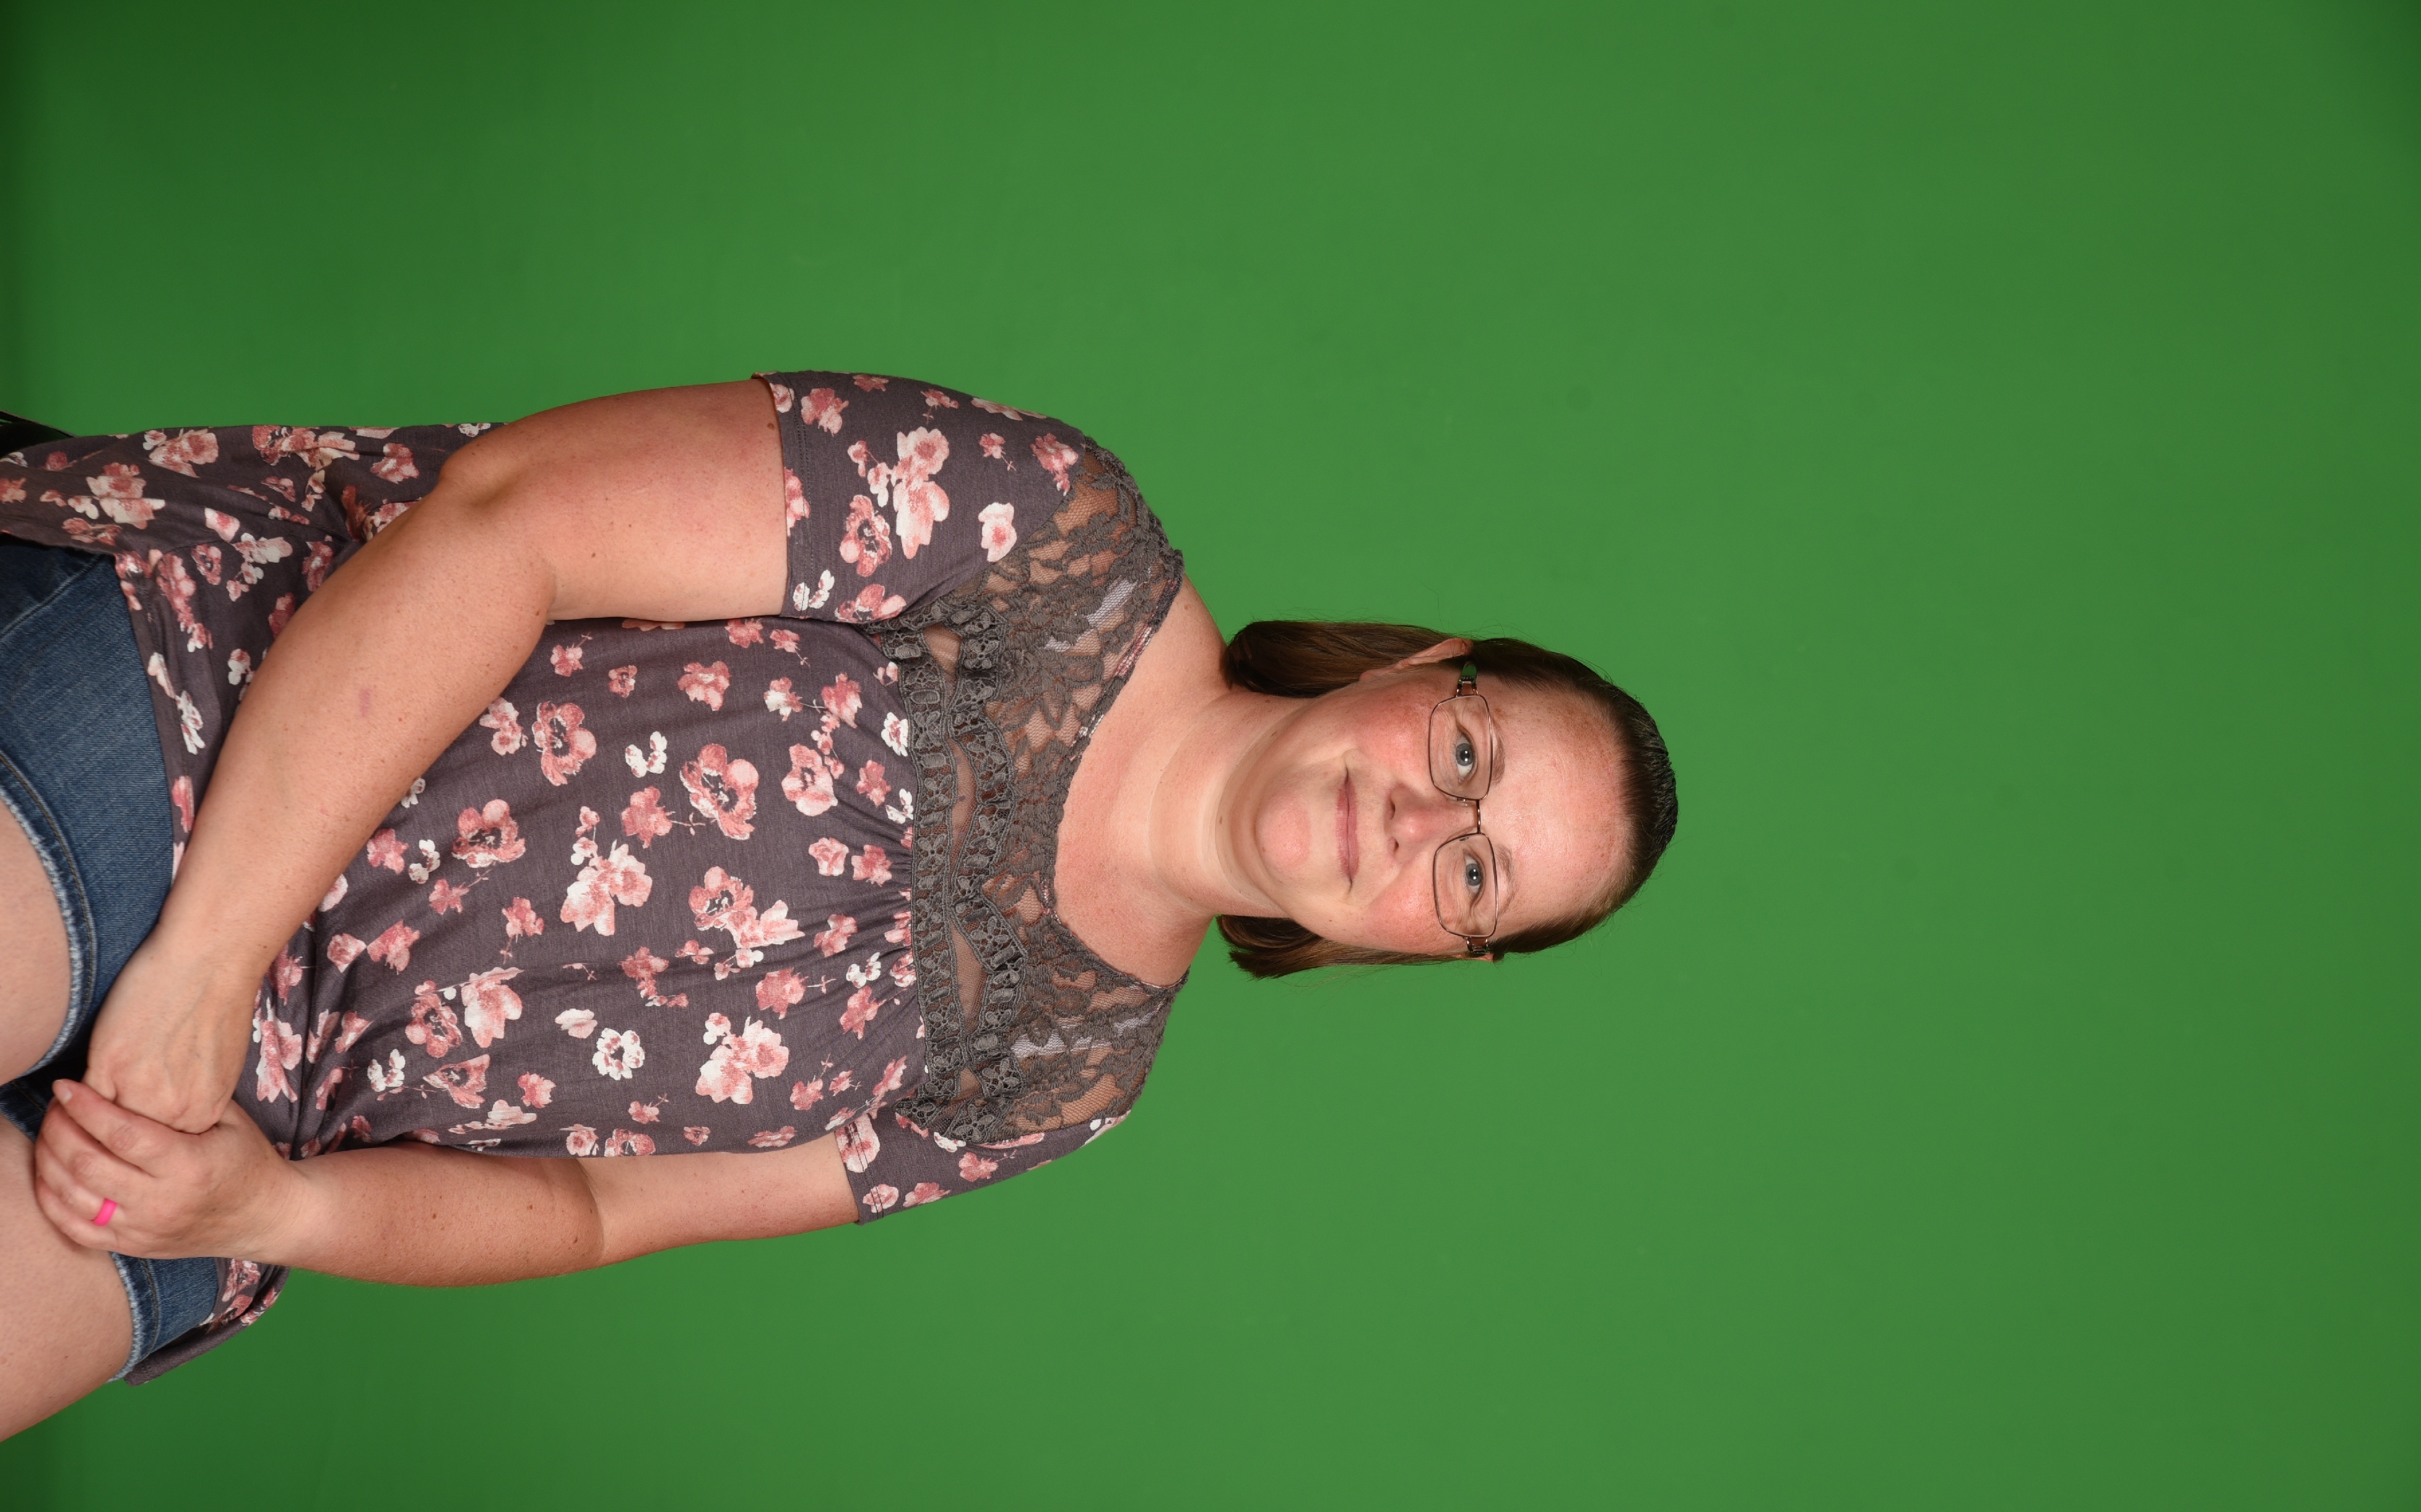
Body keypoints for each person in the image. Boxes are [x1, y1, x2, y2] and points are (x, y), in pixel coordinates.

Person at [0, 373, 1677, 1434]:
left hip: (264, 1122)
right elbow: (506, 527)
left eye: (1472, 874)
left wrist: (274, 1212)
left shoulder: (1069, 1077)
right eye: (1466, 751)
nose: (1415, 822)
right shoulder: (1053, 535)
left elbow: (596, 1209)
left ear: (1427, 947)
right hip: (204, 724)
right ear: (1419, 665)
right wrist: (206, 964)